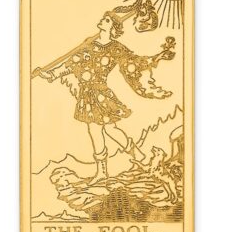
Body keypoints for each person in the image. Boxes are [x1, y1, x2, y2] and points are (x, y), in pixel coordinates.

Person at [38, 11, 175, 184]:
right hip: (86, 94)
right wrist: (50, 74)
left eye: (107, 20)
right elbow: (72, 64)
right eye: (104, 18)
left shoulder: (115, 48)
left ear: (113, 28)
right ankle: (116, 167)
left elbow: (134, 62)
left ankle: (135, 158)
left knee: (108, 129)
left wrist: (158, 56)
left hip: (100, 93)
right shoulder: (89, 43)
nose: (102, 20)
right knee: (96, 130)